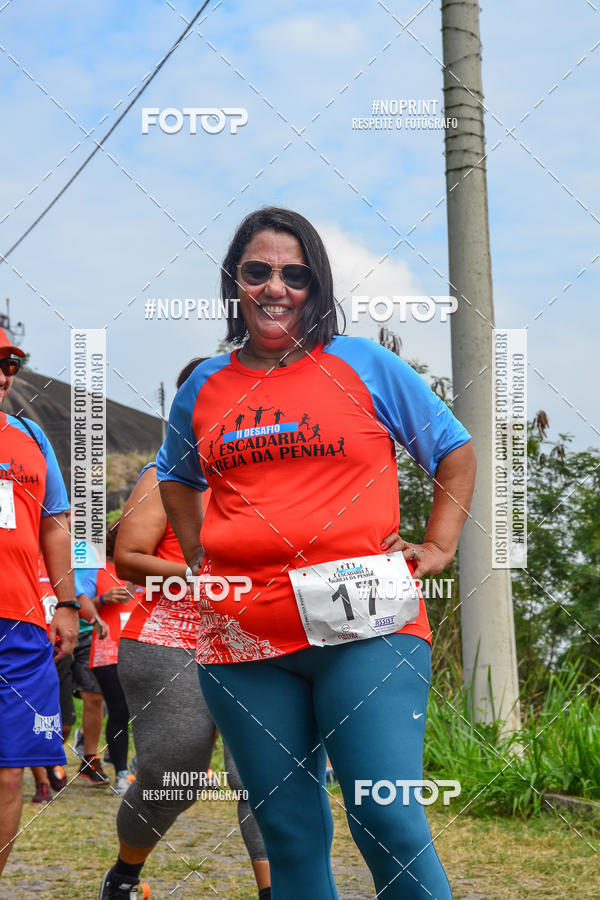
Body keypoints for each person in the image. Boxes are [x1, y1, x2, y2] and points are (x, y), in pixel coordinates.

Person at [157, 207, 477, 900]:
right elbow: (175, 480)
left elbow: (454, 451)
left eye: (295, 273)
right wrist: (200, 557)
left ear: (317, 284)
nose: (276, 287)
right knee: (291, 833)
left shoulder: (362, 363)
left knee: (387, 815)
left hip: (366, 624)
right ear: (235, 282)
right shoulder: (203, 388)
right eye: (258, 271)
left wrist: (440, 545)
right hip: (241, 636)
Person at [98, 363, 271, 900]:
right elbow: (127, 558)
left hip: (259, 641)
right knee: (177, 774)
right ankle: (124, 876)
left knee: (261, 778)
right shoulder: (165, 473)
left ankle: (274, 893)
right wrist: (208, 575)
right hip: (173, 642)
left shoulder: (272, 474)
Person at [0, 329, 79, 875]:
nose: (4, 375)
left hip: (22, 627)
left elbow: (55, 524)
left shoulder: (30, 434)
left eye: (10, 364)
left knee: (8, 772)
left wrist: (68, 604)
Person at [88, 522, 135, 795]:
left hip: (142, 647)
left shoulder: (143, 571)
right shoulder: (97, 570)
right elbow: (79, 607)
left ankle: (143, 764)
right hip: (109, 651)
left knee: (148, 713)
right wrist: (103, 599)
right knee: (119, 711)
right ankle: (122, 772)